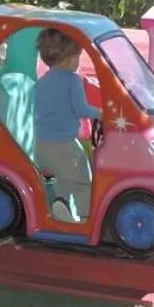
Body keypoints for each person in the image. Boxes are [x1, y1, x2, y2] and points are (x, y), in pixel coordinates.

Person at [33, 27, 101, 221]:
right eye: (78, 57)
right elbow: (81, 109)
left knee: (63, 178)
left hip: (41, 144)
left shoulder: (41, 82)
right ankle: (87, 218)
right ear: (69, 59)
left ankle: (61, 205)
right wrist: (100, 114)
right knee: (83, 180)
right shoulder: (73, 81)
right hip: (63, 144)